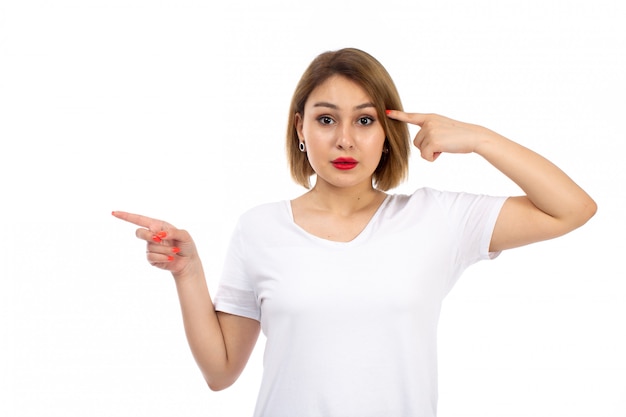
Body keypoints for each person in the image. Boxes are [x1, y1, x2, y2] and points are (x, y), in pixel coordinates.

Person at [112, 48, 596, 417]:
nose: (345, 138)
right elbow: (220, 374)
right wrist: (188, 272)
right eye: (326, 119)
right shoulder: (259, 228)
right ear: (300, 129)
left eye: (365, 120)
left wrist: (480, 139)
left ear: (388, 135)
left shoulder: (437, 220)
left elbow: (571, 209)